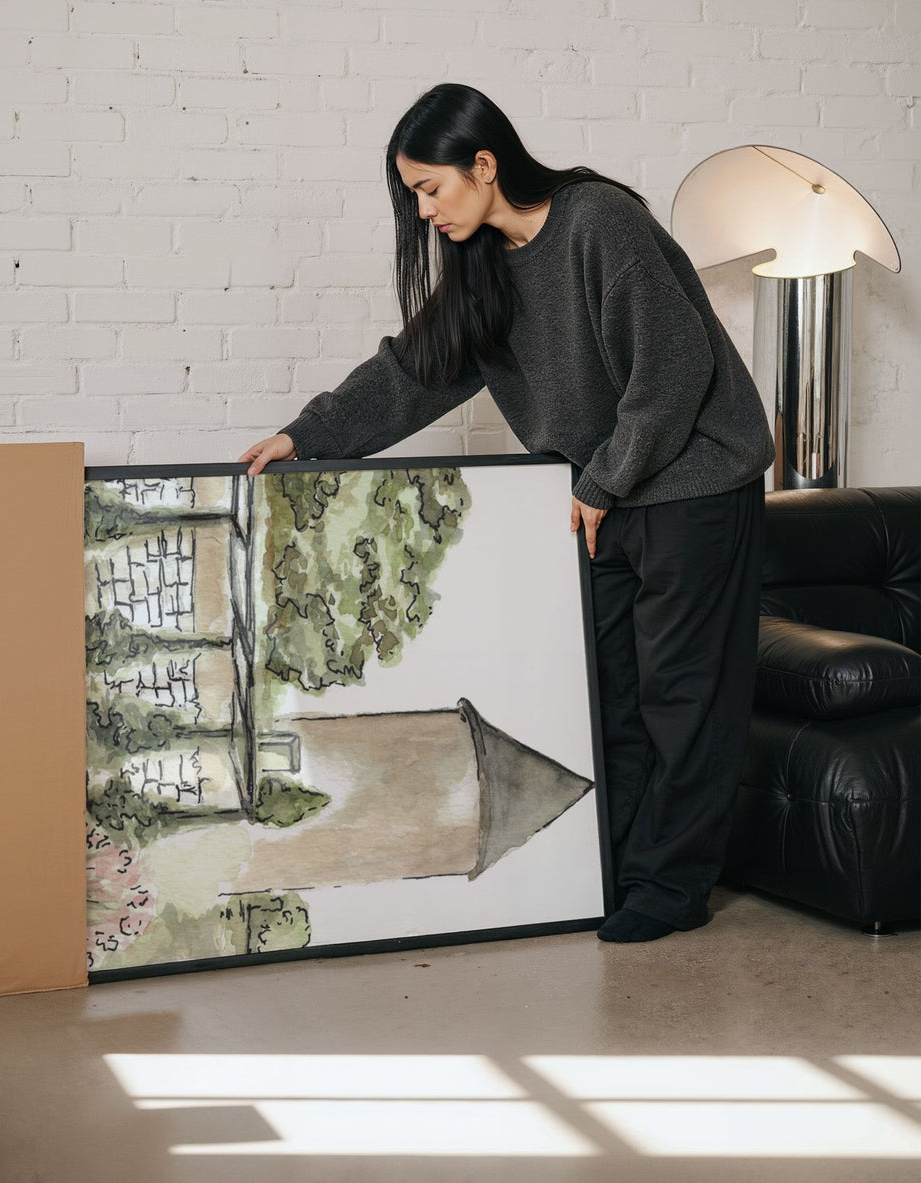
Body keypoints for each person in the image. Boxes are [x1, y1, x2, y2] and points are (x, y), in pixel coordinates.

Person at [239, 83, 775, 943]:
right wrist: (307, 435)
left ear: (484, 165)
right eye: (413, 195)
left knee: (685, 695)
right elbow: (415, 369)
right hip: (604, 492)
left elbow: (672, 372)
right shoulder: (484, 263)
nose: (424, 212)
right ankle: (620, 871)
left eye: (431, 189)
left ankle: (671, 888)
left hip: (692, 480)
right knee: (611, 695)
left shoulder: (599, 222)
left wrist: (603, 481)